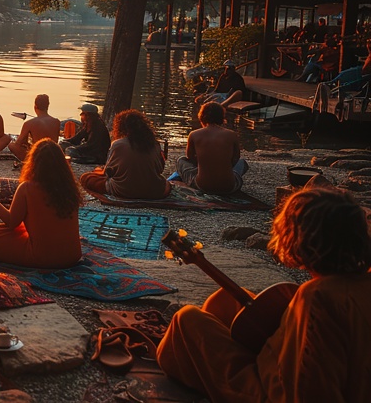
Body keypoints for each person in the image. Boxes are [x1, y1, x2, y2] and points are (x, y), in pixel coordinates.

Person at [156, 187, 371, 402]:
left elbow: (308, 389)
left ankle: (198, 374)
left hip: (268, 392)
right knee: (223, 301)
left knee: (187, 319)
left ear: (300, 240)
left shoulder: (318, 297)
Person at [0, 139, 83, 268]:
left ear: (34, 163)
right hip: (73, 256)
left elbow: (11, 222)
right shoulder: (69, 187)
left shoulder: (28, 187)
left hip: (43, 258)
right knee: (20, 229)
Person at [79, 110, 170, 199]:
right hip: (154, 192)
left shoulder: (118, 144)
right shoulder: (154, 144)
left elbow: (108, 173)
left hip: (123, 190)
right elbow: (160, 169)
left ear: (121, 127)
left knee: (85, 178)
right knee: (167, 184)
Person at [176, 102, 248, 194]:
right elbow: (236, 158)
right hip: (229, 187)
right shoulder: (232, 135)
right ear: (222, 117)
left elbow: (190, 158)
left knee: (181, 160)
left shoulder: (194, 134)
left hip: (202, 186)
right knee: (242, 162)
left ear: (202, 116)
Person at [10, 93, 61, 161]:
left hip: (38, 156)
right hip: (53, 155)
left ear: (35, 107)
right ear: (48, 106)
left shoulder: (29, 123)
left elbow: (18, 144)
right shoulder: (56, 121)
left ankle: (28, 161)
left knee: (11, 145)